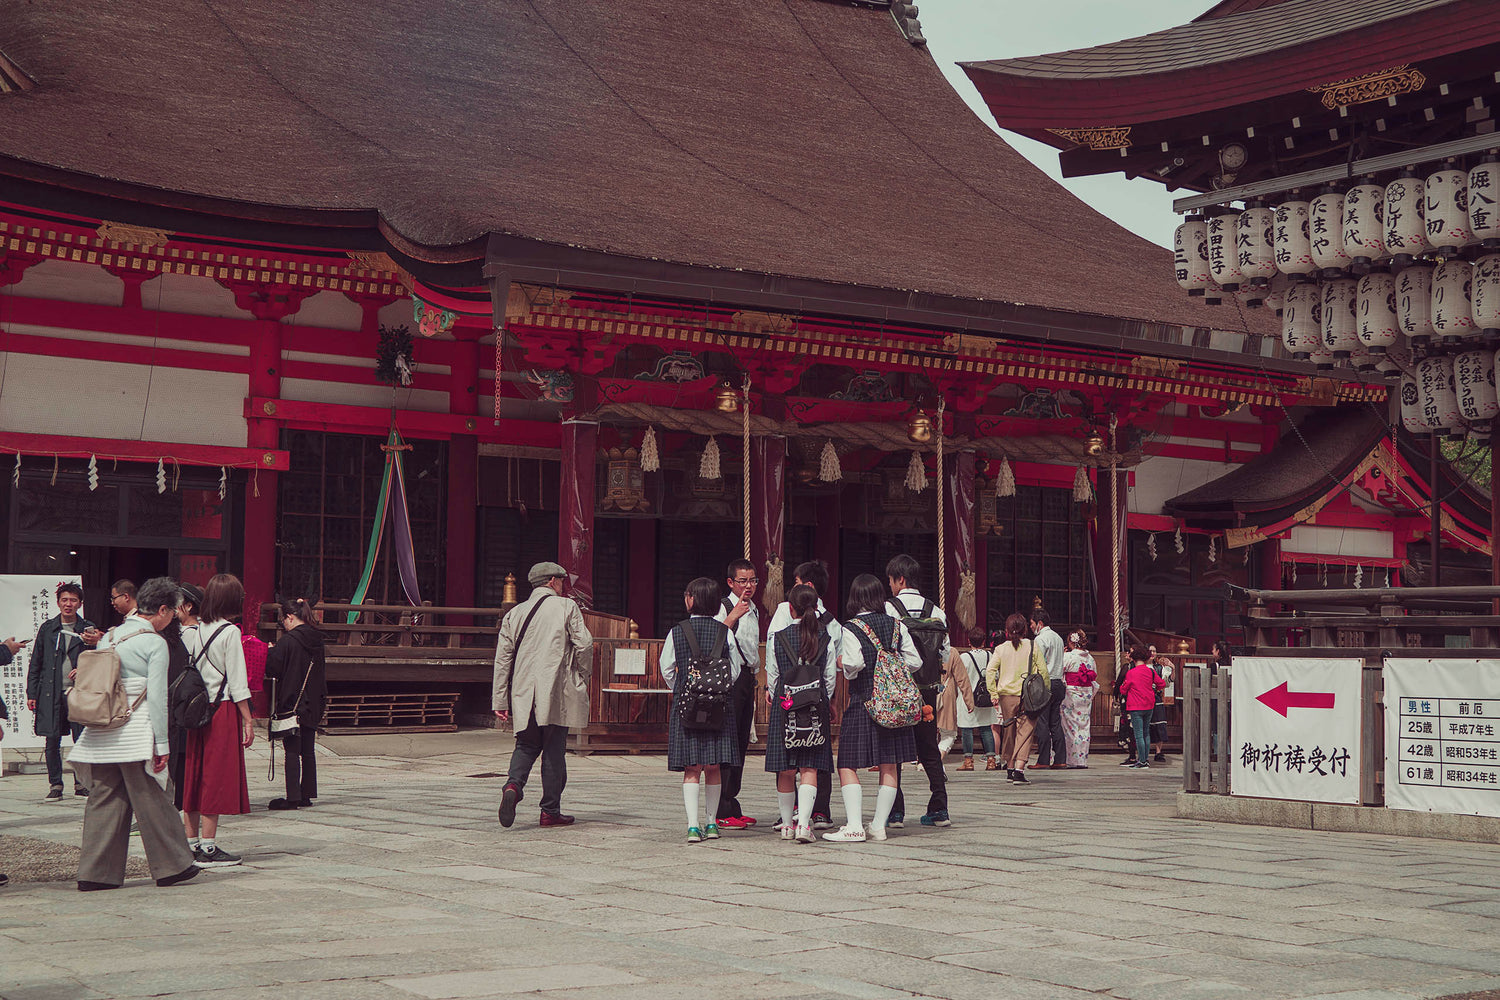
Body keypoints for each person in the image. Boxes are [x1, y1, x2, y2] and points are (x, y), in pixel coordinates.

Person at [70, 577, 199, 890]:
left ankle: (95, 873)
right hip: (136, 728)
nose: (173, 618)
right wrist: (163, 743)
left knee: (104, 797)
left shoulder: (109, 636)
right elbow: (157, 697)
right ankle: (174, 866)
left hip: (101, 730)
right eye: (173, 611)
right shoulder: (154, 642)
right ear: (163, 609)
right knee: (152, 796)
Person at [494, 561, 594, 829]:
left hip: (524, 692)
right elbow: (584, 644)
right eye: (561, 581)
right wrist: (583, 675)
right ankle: (550, 811)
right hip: (555, 691)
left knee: (525, 745)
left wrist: (500, 700)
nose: (563, 586)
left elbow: (502, 660)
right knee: (553, 750)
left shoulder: (514, 614)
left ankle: (513, 785)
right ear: (552, 581)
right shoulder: (566, 607)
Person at [824, 573, 922, 844]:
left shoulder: (852, 627)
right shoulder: (896, 624)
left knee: (847, 763)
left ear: (855, 597)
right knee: (889, 764)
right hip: (893, 704)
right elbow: (914, 662)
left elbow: (854, 665)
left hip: (864, 701)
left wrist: (841, 662)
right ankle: (879, 825)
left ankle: (854, 826)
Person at [179, 574, 253, 868]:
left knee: (194, 774)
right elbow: (238, 682)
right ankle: (208, 847)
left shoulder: (193, 630)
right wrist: (248, 719)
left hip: (195, 710)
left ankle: (190, 842)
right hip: (221, 710)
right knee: (215, 776)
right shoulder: (230, 632)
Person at [661, 577, 742, 843]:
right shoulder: (725, 632)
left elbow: (666, 668)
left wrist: (684, 688)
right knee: (714, 767)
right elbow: (736, 669)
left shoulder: (677, 631)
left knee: (692, 768)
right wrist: (718, 689)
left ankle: (692, 826)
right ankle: (711, 824)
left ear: (691, 599)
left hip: (687, 707)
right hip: (720, 707)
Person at [769, 560, 842, 831]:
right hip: (815, 704)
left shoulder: (778, 637)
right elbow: (830, 677)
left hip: (785, 704)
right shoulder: (825, 636)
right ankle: (805, 827)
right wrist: (826, 698)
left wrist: (777, 695)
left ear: (791, 608)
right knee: (810, 766)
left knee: (786, 768)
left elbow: (773, 672)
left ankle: (788, 824)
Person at [884, 554, 950, 828]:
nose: (889, 585)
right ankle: (939, 808)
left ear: (900, 579)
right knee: (929, 749)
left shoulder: (889, 609)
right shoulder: (937, 611)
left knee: (895, 749)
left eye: (890, 580)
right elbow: (944, 652)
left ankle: (895, 812)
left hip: (899, 692)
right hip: (926, 691)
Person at [27, 582, 95, 800]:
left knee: (81, 739)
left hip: (78, 693)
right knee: (52, 739)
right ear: (58, 602)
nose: (68, 604)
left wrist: (83, 667)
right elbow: (36, 662)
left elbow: (99, 660)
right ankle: (55, 784)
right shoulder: (48, 628)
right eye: (64, 600)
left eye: (73, 600)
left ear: (80, 603)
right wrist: (31, 694)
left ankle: (81, 783)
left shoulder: (87, 629)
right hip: (50, 692)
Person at [264, 597, 327, 810]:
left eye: (284, 620)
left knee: (292, 749)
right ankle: (306, 794)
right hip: (313, 701)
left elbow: (273, 668)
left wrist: (271, 650)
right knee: (307, 749)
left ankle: (292, 797)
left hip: (293, 701)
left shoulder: (288, 641)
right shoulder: (317, 641)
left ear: (290, 617)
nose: (284, 624)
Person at [713, 558, 761, 831]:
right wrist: (733, 617)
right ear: (730, 582)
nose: (748, 586)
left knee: (741, 741)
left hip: (747, 678)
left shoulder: (753, 609)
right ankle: (721, 807)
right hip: (729, 679)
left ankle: (732, 802)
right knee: (728, 742)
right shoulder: (725, 607)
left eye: (753, 580)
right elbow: (716, 637)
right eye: (742, 581)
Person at [986, 613, 1039, 784]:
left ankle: (1009, 767)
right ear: (1025, 630)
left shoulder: (1001, 649)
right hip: (1027, 695)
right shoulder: (1032, 646)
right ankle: (1019, 769)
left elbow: (990, 671)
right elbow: (1043, 671)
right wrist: (1043, 692)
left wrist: (993, 693)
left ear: (1007, 631)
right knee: (1025, 731)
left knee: (1008, 732)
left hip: (1005, 695)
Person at [164, 583, 200, 811]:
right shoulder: (199, 633)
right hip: (187, 703)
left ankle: (175, 803)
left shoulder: (188, 636)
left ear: (188, 606)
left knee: (179, 753)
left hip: (181, 702)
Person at [949, 631, 996, 771]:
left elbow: (958, 676)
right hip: (985, 697)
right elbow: (995, 674)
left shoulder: (964, 657)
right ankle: (991, 760)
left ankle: (968, 761)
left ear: (969, 641)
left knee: (966, 729)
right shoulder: (990, 655)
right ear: (983, 641)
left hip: (967, 697)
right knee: (986, 728)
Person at [1029, 609, 1067, 770]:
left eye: (1032, 624)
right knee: (1055, 722)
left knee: (1042, 722)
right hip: (1058, 681)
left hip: (1046, 681)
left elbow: (1037, 662)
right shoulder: (1058, 638)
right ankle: (1060, 758)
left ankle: (1043, 759)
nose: (1031, 627)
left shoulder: (1040, 639)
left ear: (1040, 623)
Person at [1120, 644, 1167, 769]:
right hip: (1149, 705)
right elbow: (1161, 683)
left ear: (1134, 659)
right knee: (1146, 733)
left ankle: (1141, 761)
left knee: (1139, 734)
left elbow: (1124, 689)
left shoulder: (1131, 673)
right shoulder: (1150, 671)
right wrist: (1154, 688)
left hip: (1135, 705)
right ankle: (1145, 759)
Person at [1060, 631, 1097, 768]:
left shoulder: (1068, 656)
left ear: (1070, 642)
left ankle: (1071, 759)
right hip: (1086, 692)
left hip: (1071, 692)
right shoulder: (1090, 658)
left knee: (1070, 726)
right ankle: (1082, 760)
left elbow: (1060, 671)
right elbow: (1095, 674)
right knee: (1084, 726)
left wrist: (1063, 655)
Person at [1148, 645, 1173, 763]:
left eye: (1154, 650)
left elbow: (1168, 682)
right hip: (1144, 698)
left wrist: (1172, 667)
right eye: (1150, 650)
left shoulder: (1159, 668)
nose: (1153, 653)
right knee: (1145, 725)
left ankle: (1158, 752)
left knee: (1159, 724)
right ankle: (1144, 751)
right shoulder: (1139, 666)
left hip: (1156, 697)